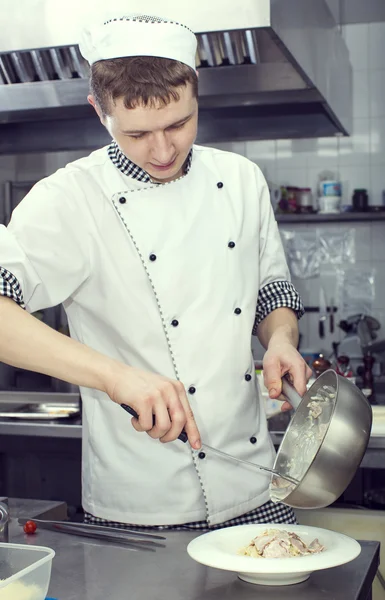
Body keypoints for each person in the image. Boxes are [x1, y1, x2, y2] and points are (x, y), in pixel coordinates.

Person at [0, 14, 311, 531]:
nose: (163, 151)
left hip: (256, 483)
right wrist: (115, 377)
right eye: (138, 133)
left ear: (197, 93)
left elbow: (268, 289)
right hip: (141, 502)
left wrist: (280, 339)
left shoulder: (240, 179)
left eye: (178, 124)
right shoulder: (69, 199)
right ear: (98, 111)